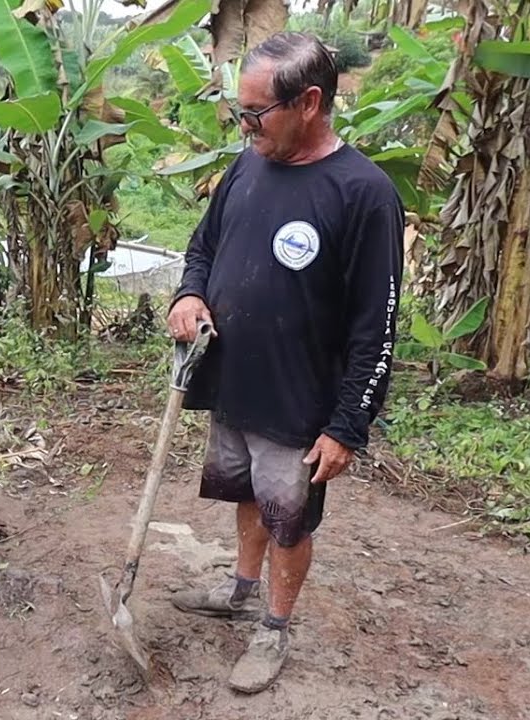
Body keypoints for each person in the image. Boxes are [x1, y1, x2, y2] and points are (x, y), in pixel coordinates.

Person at [165, 32, 404, 693]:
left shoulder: (365, 194)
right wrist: (189, 294)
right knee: (247, 496)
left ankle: (273, 626)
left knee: (289, 519)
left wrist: (348, 424)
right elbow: (203, 247)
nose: (243, 128)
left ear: (309, 102)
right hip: (234, 382)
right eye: (238, 113)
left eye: (254, 114)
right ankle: (241, 589)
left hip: (300, 401)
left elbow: (376, 327)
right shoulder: (248, 164)